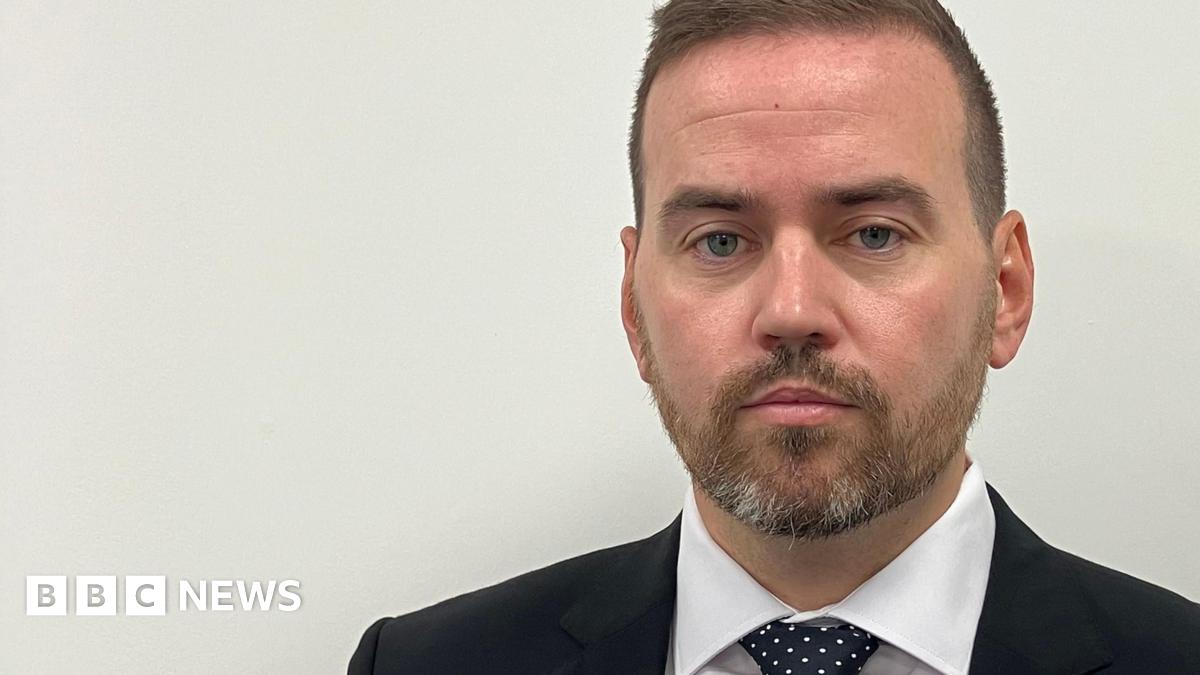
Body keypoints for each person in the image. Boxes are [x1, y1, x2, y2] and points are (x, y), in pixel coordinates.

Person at [349, 1, 1200, 673]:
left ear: (1006, 290)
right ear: (634, 309)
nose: (792, 310)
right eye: (720, 240)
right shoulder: (429, 663)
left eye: (874, 233)